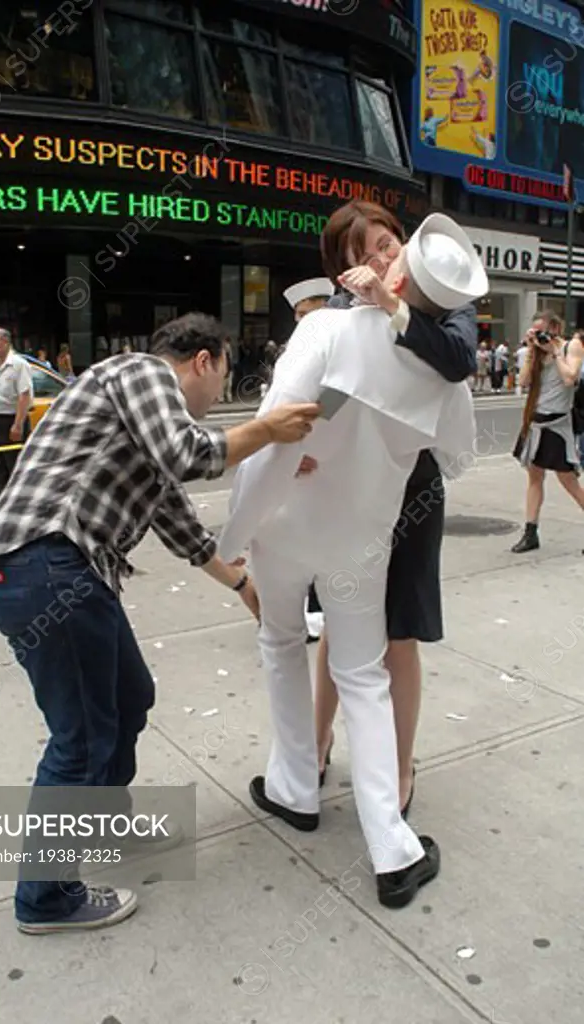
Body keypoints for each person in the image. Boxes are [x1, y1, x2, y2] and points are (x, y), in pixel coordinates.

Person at [0, 312, 319, 934]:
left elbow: (177, 520)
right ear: (204, 360)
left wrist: (242, 584)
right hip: (47, 561)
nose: (216, 399)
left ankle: (100, 824)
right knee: (80, 740)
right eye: (224, 378)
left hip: (58, 570)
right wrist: (266, 429)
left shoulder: (138, 421)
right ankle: (45, 897)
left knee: (132, 698)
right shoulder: (144, 373)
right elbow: (189, 456)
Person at [219, 214, 485, 909]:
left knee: (281, 644)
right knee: (361, 676)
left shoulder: (324, 330)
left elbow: (278, 438)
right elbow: (455, 453)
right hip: (362, 539)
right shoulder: (437, 370)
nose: (380, 257)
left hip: (288, 525)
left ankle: (294, 787)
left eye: (387, 247)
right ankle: (390, 848)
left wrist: (231, 537)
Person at [313, 199, 478, 811]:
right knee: (339, 617)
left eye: (387, 244)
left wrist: (392, 304)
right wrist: (304, 446)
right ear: (342, 272)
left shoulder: (444, 291)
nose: (383, 260)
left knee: (399, 630)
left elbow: (461, 358)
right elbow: (321, 385)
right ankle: (316, 740)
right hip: (348, 482)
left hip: (413, 485)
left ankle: (401, 765)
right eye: (365, 255)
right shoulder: (337, 313)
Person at [282, 278, 336, 642]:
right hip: (297, 453)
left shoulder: (339, 348)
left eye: (307, 313)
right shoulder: (298, 348)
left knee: (323, 539)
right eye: (297, 315)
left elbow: (336, 401)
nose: (300, 321)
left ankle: (318, 609)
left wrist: (311, 444)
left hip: (326, 457)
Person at [511, 311, 584, 553]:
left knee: (568, 481)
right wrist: (532, 352)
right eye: (536, 331)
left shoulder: (570, 347)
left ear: (555, 327)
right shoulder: (537, 352)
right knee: (534, 477)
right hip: (535, 423)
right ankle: (530, 532)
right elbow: (522, 382)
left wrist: (553, 352)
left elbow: (570, 379)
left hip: (557, 424)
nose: (541, 335)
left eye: (544, 330)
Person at [0, 327, 33, 499]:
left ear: (5, 342)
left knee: (15, 470)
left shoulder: (19, 364)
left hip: (12, 421)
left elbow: (24, 395)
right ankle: (1, 505)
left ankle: (18, 506)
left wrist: (18, 424)